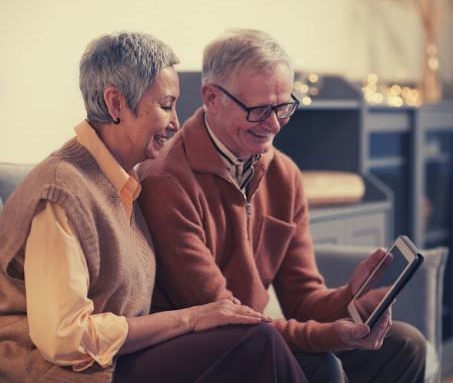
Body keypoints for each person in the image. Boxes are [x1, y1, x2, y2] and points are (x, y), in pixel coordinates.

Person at [0, 32, 307, 383]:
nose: (176, 122)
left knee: (288, 356)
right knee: (256, 343)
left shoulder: (122, 182)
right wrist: (190, 318)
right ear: (116, 104)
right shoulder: (61, 192)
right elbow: (64, 339)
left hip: (118, 358)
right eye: (165, 105)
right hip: (60, 371)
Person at [138, 28, 427, 383]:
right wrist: (332, 335)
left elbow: (303, 300)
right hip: (208, 349)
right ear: (211, 97)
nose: (274, 125)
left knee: (406, 346)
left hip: (259, 335)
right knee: (321, 366)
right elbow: (230, 319)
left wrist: (351, 298)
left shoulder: (283, 174)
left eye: (283, 107)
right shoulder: (166, 181)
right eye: (259, 110)